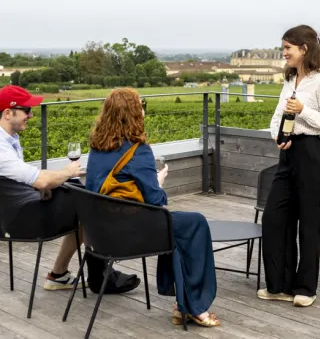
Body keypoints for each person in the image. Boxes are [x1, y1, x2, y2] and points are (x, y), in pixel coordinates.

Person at [0, 85, 140, 294]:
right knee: (86, 203)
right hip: (16, 220)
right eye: (27, 110)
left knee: (79, 197)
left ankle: (61, 275)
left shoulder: (3, 138)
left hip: (9, 212)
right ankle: (100, 275)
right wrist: (68, 172)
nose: (31, 115)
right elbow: (39, 180)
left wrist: (54, 184)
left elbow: (22, 180)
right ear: (8, 113)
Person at [85, 88, 220, 327]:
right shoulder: (138, 151)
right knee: (195, 223)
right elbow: (157, 201)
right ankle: (193, 306)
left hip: (100, 233)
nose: (144, 109)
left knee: (176, 227)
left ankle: (183, 305)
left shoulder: (97, 146)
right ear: (134, 113)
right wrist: (159, 181)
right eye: (141, 104)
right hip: (129, 233)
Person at [257, 25, 320, 308]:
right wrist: (277, 136)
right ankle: (279, 285)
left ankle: (305, 288)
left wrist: (304, 111)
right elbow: (276, 117)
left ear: (304, 49)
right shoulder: (290, 80)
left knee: (309, 224)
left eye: (288, 48)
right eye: (283, 48)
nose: (284, 54)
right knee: (274, 219)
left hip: (312, 155)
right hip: (287, 154)